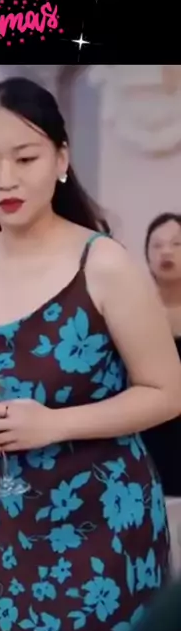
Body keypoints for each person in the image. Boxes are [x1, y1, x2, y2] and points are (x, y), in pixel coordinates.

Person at [0, 77, 181, 631]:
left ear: (61, 160)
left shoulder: (102, 262)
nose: (6, 178)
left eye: (25, 158)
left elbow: (168, 391)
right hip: (14, 524)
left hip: (107, 520)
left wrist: (52, 425)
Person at [141, 213, 181, 574]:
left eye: (177, 244)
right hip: (147, 440)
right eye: (157, 245)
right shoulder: (135, 310)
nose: (166, 252)